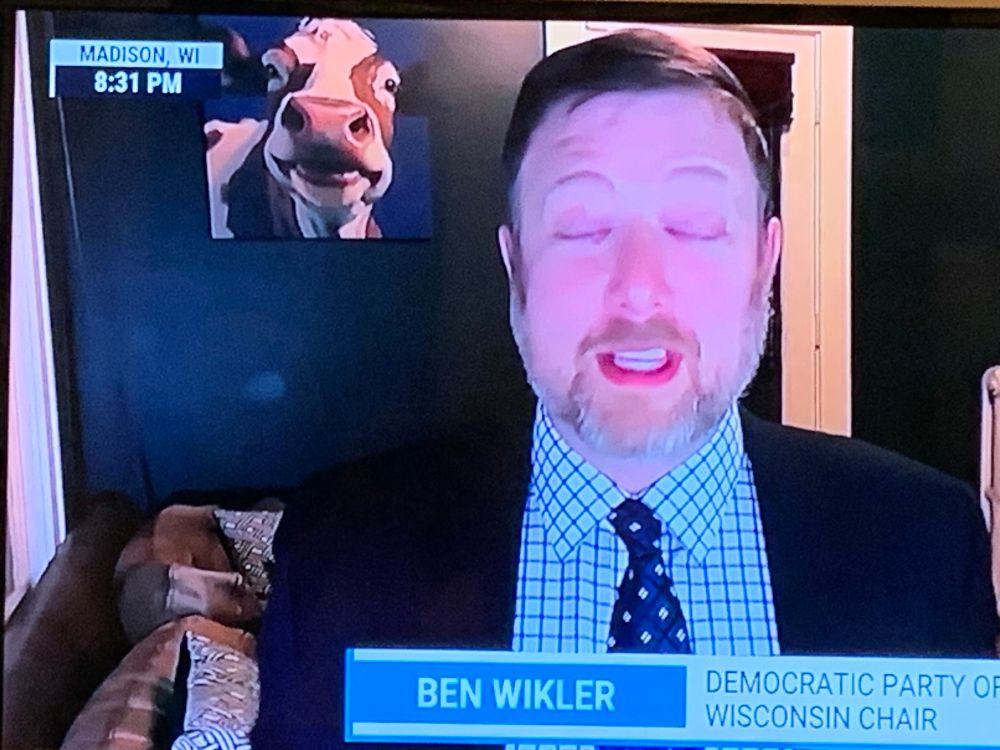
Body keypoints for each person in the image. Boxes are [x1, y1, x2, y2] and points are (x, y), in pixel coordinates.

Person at [251, 29, 998, 749]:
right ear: (517, 266)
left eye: (697, 224)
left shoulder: (925, 544)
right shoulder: (343, 552)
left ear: (764, 266)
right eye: (581, 225)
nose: (639, 293)